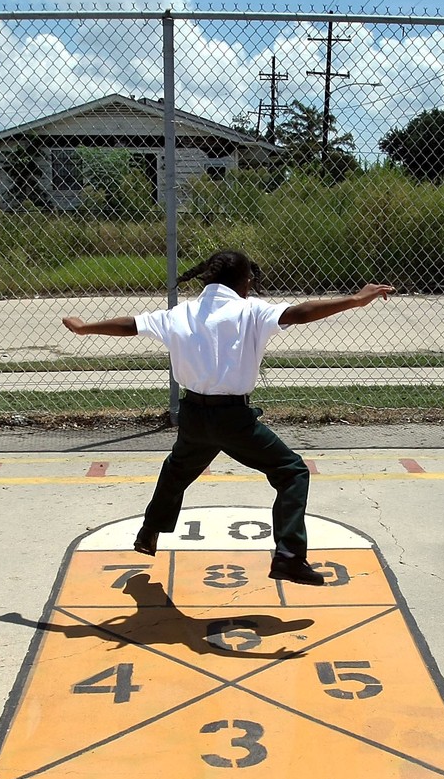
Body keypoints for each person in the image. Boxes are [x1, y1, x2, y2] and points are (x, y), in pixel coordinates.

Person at [62, 250, 393, 586]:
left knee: (178, 469)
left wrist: (85, 328)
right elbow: (300, 313)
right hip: (233, 419)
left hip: (192, 416)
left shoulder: (182, 313)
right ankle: (290, 556)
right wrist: (354, 299)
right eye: (251, 280)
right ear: (245, 281)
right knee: (291, 472)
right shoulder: (250, 311)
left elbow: (130, 325)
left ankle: (149, 531)